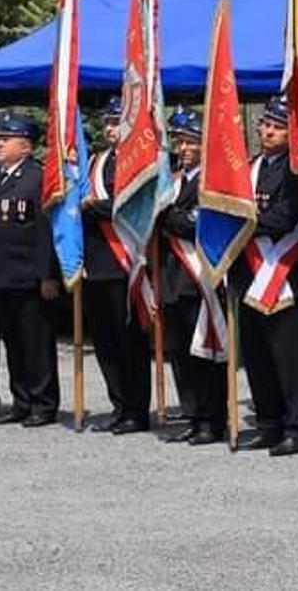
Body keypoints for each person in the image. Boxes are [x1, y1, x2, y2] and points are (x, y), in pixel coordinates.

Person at [236, 96, 298, 456]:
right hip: (249, 274)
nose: (268, 131)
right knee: (257, 354)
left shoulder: (297, 171)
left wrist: (241, 221)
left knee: (292, 355)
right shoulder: (249, 168)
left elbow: (283, 219)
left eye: (277, 126)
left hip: (285, 274)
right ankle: (269, 422)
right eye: (265, 125)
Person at [0, 113, 60, 428]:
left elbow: (45, 231)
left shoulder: (36, 178)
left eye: (7, 139)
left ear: (25, 147)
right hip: (1, 274)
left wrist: (47, 274)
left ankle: (43, 403)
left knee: (35, 342)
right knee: (13, 342)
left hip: (28, 275)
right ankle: (21, 401)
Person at [158, 109, 226, 446]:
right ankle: (192, 413)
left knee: (205, 352)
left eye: (190, 142)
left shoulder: (211, 181)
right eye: (180, 142)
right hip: (172, 279)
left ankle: (212, 420)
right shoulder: (171, 181)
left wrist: (169, 216)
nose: (183, 149)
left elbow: (192, 224)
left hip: (199, 278)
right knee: (180, 352)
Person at [83, 98, 150, 434]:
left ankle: (137, 410)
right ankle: (119, 404)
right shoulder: (94, 162)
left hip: (126, 263)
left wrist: (92, 207)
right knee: (105, 342)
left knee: (129, 343)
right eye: (107, 123)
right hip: (96, 263)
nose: (110, 129)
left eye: (116, 122)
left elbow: (130, 207)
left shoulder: (138, 161)